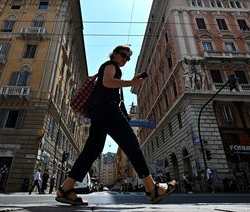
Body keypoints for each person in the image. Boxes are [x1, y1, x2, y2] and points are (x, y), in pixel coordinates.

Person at [55, 45, 176, 206]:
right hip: (107, 109)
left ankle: (65, 189)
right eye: (123, 55)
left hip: (98, 112)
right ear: (114, 54)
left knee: (92, 151)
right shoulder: (110, 66)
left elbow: (106, 85)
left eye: (128, 58)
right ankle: (151, 188)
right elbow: (107, 82)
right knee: (132, 144)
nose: (125, 59)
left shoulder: (110, 67)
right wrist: (132, 82)